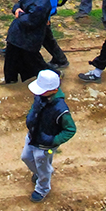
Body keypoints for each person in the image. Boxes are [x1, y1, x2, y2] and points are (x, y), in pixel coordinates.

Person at [21, 70, 77, 202]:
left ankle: (42, 188)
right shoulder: (40, 97)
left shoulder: (61, 109)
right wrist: (30, 118)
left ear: (54, 89)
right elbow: (34, 109)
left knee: (43, 165)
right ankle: (41, 174)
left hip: (46, 146)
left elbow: (70, 129)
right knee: (26, 157)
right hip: (32, 136)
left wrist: (54, 140)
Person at [0, 0, 52, 84]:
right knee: (11, 56)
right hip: (18, 32)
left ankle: (53, 76)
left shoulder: (42, 1)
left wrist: (19, 13)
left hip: (30, 36)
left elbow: (31, 21)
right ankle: (10, 78)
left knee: (34, 60)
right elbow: (19, 3)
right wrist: (17, 9)